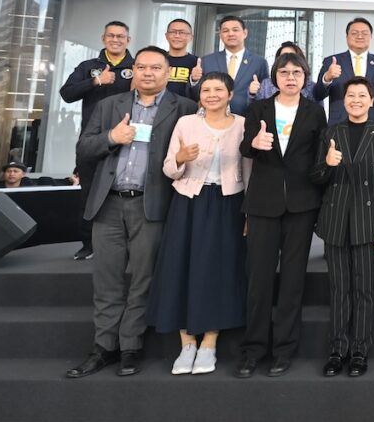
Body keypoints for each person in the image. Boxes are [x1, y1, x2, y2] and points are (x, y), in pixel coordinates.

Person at [65, 46, 197, 379]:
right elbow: (84, 148)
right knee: (106, 280)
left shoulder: (185, 108)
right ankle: (103, 346)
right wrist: (112, 136)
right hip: (108, 203)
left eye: (155, 67)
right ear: (133, 71)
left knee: (142, 279)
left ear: (168, 72)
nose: (147, 73)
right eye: (141, 67)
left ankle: (130, 346)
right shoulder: (110, 105)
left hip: (151, 204)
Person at [147, 72, 248, 375]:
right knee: (181, 267)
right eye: (206, 90)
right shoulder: (186, 123)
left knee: (220, 270)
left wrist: (249, 213)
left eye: (219, 89)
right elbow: (169, 168)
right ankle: (187, 342)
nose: (211, 94)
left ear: (231, 94)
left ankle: (210, 343)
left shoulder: (243, 125)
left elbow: (250, 172)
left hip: (228, 204)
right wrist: (179, 158)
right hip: (188, 202)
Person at [235, 51, 327, 379]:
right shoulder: (258, 108)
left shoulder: (315, 111)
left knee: (292, 280)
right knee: (258, 279)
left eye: (296, 73)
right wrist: (255, 143)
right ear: (275, 77)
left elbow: (318, 158)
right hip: (263, 203)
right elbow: (244, 147)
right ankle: (253, 350)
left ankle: (284, 350)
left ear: (305, 78)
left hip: (301, 205)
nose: (290, 78)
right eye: (284, 72)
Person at [310, 77, 374, 378]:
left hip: (369, 222)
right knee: (339, 289)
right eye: (350, 95)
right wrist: (327, 163)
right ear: (342, 100)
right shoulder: (330, 132)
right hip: (335, 219)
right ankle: (337, 350)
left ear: (372, 101)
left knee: (365, 290)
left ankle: (359, 350)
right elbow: (316, 177)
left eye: (362, 95)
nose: (356, 100)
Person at [59, 20, 135, 260]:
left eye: (120, 36)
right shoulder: (88, 66)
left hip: (127, 140)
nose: (115, 40)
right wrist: (96, 81)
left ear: (128, 40)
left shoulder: (137, 66)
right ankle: (88, 243)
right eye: (111, 36)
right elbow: (66, 93)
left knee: (125, 194)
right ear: (103, 39)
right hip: (92, 141)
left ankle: (125, 245)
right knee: (90, 194)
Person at [314, 17, 374, 125]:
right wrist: (327, 78)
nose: (360, 36)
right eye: (354, 33)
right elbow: (318, 95)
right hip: (339, 124)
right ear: (347, 37)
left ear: (371, 37)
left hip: (373, 124)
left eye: (364, 33)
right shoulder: (332, 61)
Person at [195, 16, 269, 117]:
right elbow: (196, 93)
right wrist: (194, 80)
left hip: (248, 118)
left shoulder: (259, 62)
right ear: (220, 35)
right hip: (213, 117)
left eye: (235, 30)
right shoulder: (207, 61)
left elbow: (266, 95)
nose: (230, 34)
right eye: (225, 31)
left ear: (245, 33)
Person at [163, 19, 199, 98]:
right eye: (173, 32)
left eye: (182, 32)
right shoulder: (158, 60)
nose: (177, 36)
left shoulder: (197, 63)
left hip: (187, 105)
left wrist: (195, 80)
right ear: (166, 36)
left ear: (191, 37)